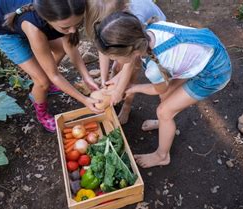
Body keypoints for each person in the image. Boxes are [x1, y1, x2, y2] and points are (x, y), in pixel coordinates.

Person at [94, 12, 231, 168]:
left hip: (213, 72)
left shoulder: (154, 68)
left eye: (115, 58)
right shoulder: (147, 33)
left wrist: (132, 88)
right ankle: (164, 123)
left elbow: (158, 89)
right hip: (204, 51)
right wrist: (117, 81)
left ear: (133, 51)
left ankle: (162, 156)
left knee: (164, 111)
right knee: (167, 97)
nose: (114, 61)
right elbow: (132, 62)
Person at [0, 0, 102, 133]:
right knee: (42, 81)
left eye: (77, 24)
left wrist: (86, 77)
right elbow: (55, 74)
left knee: (60, 50)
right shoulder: (34, 28)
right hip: (2, 29)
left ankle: (46, 85)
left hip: (28, 22)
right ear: (48, 19)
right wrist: (85, 100)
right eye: (66, 28)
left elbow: (70, 47)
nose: (73, 30)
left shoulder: (67, 11)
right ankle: (42, 114)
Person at [84, 0, 166, 124]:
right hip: (131, 36)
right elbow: (104, 51)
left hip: (151, 30)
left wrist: (119, 90)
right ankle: (112, 91)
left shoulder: (134, 19)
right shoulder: (109, 23)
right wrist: (103, 79)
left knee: (131, 68)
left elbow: (131, 64)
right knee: (118, 66)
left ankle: (126, 107)